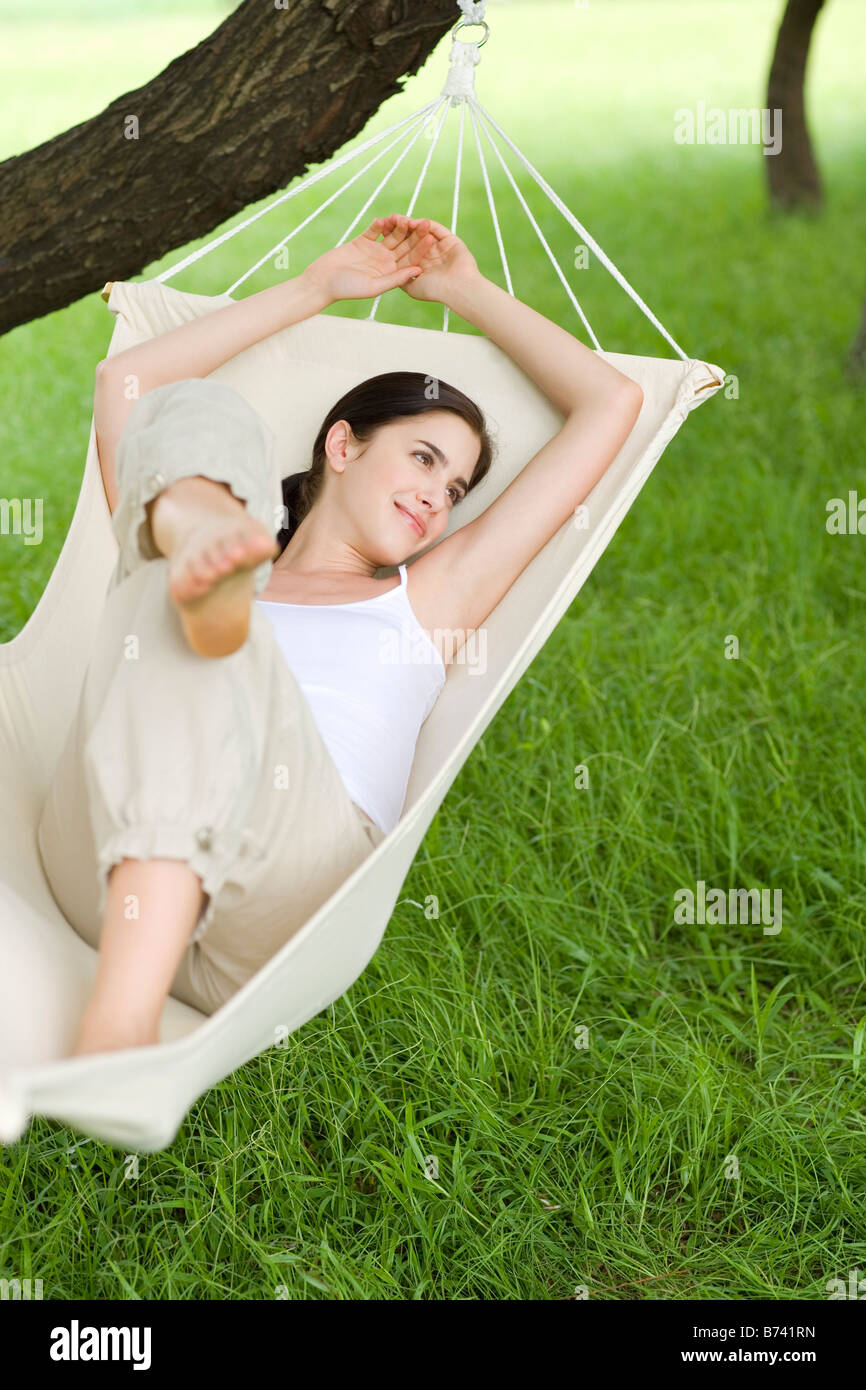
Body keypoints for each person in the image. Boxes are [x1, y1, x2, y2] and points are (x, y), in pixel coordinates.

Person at [36, 214, 643, 1057]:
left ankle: (120, 1024)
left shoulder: (430, 599)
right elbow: (128, 384)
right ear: (343, 446)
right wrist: (315, 288)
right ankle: (200, 530)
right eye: (425, 458)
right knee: (206, 421)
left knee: (200, 627)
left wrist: (463, 290)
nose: (440, 497)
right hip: (98, 866)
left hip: (275, 893)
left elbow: (614, 404)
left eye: (457, 488)